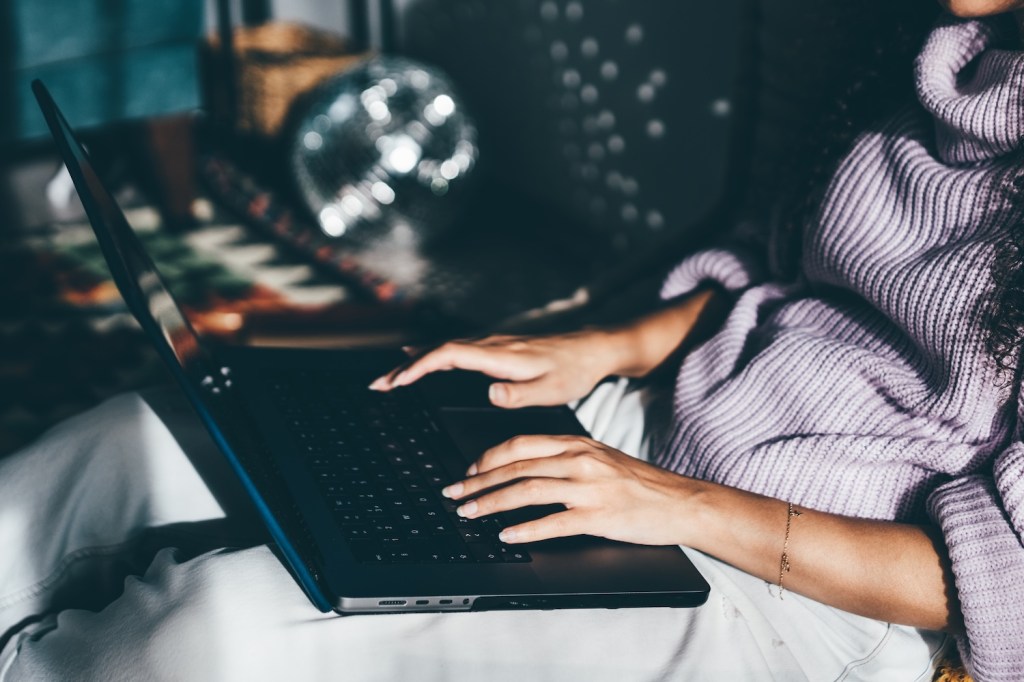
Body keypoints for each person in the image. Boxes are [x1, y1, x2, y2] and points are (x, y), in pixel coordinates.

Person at [2, 2, 1023, 680]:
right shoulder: (939, 56)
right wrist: (597, 350)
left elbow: (991, 578)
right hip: (632, 432)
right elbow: (774, 265)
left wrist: (671, 501)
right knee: (122, 448)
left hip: (783, 594)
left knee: (200, 638)